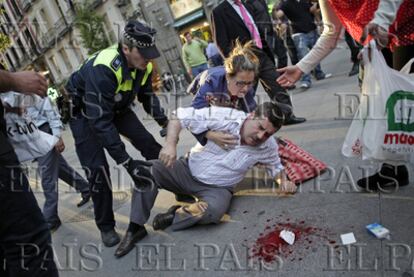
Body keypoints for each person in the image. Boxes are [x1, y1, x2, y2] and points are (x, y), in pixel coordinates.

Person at [114, 102, 297, 258]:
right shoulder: (225, 116)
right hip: (185, 170)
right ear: (251, 116)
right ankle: (135, 228)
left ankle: (174, 215)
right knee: (146, 173)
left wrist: (283, 182)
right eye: (260, 128)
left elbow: (275, 167)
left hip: (218, 188)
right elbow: (180, 116)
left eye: (267, 134)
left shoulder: (267, 146)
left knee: (213, 212)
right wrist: (170, 144)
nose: (260, 136)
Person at [276, 0, 414, 190]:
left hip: (407, 29)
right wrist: (301, 67)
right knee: (386, 107)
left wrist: (380, 24)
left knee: (407, 103)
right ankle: (394, 168)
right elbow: (331, 32)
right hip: (376, 44)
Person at [65, 20, 168, 247]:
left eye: (150, 53)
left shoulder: (144, 65)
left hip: (117, 106)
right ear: (126, 49)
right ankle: (106, 226)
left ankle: (177, 184)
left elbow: (147, 96)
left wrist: (165, 122)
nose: (148, 59)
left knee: (148, 144)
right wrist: (127, 162)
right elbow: (101, 123)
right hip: (84, 113)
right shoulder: (103, 67)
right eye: (143, 54)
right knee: (97, 169)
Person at [1, 92, 91, 232]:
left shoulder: (22, 88)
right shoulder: (3, 97)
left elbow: (49, 110)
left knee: (47, 176)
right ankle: (86, 188)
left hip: (44, 132)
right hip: (31, 138)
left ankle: (50, 218)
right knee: (60, 168)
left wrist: (56, 135)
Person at [0, 70, 58, 276]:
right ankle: (52, 215)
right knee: (28, 244)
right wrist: (13, 80)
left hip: (37, 136)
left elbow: (51, 111)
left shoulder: (43, 98)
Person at [211, 0, 306, 125]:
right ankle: (237, 123)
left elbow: (255, 28)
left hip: (261, 53)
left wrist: (265, 48)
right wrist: (235, 62)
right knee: (244, 93)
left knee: (276, 83)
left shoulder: (245, 5)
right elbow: (221, 42)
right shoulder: (219, 11)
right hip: (243, 58)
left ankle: (286, 116)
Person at [190, 40, 258, 113]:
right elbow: (194, 115)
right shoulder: (211, 83)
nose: (245, 88)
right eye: (241, 83)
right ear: (228, 76)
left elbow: (253, 112)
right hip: (201, 86)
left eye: (249, 83)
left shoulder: (247, 88)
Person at [275, 0, 331, 89]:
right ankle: (305, 80)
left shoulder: (305, 1)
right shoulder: (286, 3)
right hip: (298, 34)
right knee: (303, 56)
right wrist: (279, 19)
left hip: (311, 29)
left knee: (316, 53)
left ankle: (319, 74)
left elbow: (312, 10)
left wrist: (319, 20)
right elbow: (279, 14)